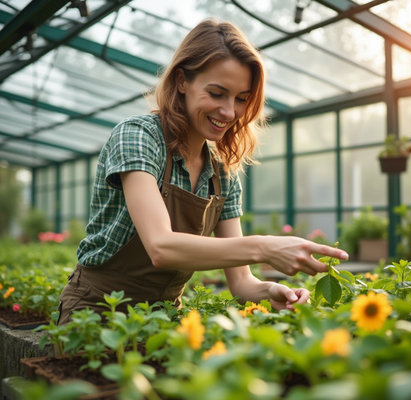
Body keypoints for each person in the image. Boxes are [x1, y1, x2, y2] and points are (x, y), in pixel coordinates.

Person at [57, 18, 348, 325]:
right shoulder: (138, 137)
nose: (229, 112)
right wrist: (264, 247)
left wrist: (274, 291)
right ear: (182, 81)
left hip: (164, 319)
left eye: (241, 99)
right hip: (95, 314)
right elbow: (161, 247)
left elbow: (241, 283)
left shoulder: (222, 170)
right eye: (217, 93)